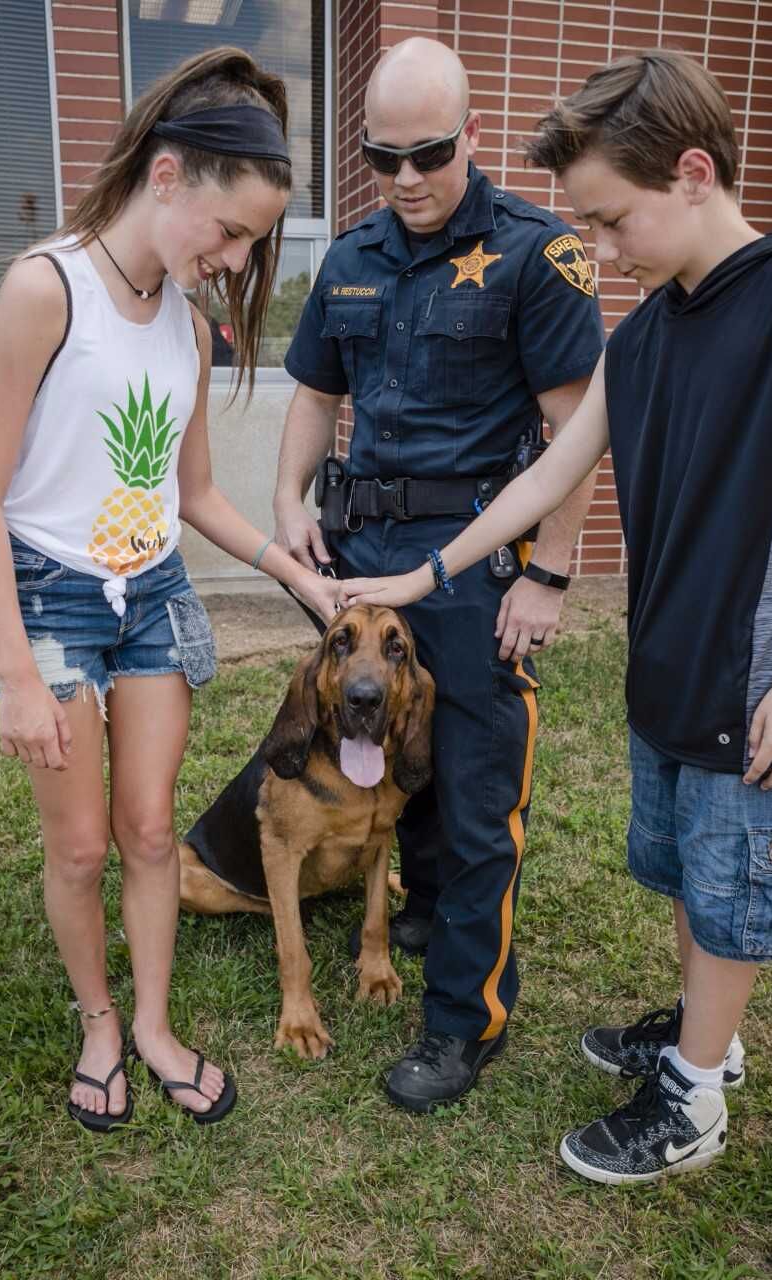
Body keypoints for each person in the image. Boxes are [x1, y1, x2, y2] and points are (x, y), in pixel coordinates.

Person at [341, 48, 772, 1177]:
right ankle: (709, 1037)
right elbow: (545, 479)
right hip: (672, 663)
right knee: (691, 872)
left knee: (735, 890)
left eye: (609, 221)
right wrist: (418, 575)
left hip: (765, 679)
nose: (595, 251)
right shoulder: (639, 337)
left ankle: (688, 1101)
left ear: (691, 172)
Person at [0, 47, 340, 1132]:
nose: (231, 260)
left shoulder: (182, 317)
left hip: (153, 595)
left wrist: (290, 571)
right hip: (54, 596)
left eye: (251, 244)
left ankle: (156, 1025)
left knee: (151, 831)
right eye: (226, 233)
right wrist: (17, 674)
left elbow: (194, 490)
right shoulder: (46, 287)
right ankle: (97, 1022)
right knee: (77, 845)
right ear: (165, 176)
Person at [274, 37, 604, 1111]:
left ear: (469, 136)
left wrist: (547, 570)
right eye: (381, 157)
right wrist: (288, 503)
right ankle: (410, 910)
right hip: (359, 563)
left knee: (471, 801)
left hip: (471, 573)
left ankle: (463, 1021)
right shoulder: (352, 255)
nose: (405, 178)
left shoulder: (533, 255)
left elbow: (572, 433)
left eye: (426, 154)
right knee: (382, 749)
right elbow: (316, 393)